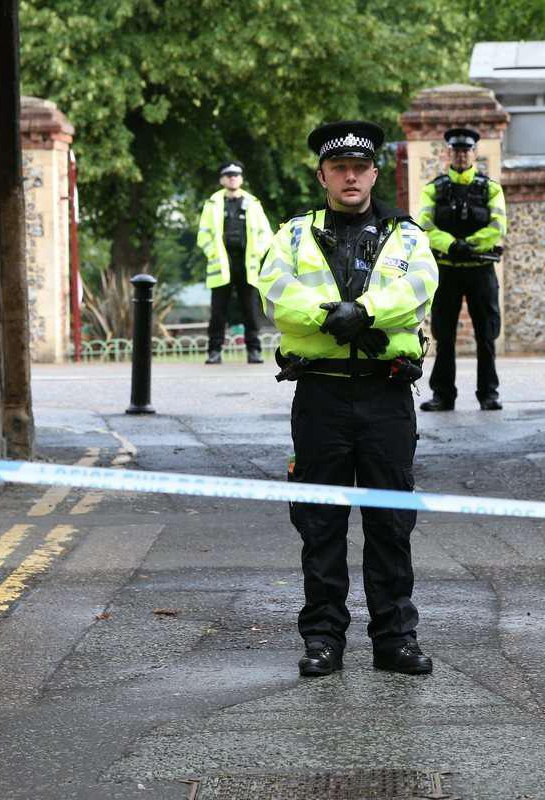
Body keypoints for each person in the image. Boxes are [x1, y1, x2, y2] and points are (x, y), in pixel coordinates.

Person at [254, 121, 439, 677]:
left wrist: (364, 313)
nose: (350, 176)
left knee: (390, 522)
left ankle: (395, 639)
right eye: (339, 168)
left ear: (375, 174)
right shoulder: (291, 235)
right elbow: (275, 289)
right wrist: (325, 316)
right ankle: (323, 639)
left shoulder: (407, 236)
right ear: (323, 176)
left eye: (360, 167)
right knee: (320, 521)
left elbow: (418, 289)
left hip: (386, 395)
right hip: (321, 395)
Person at [416, 127, 508, 411]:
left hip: (481, 270)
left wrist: (471, 244)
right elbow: (426, 226)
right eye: (456, 151)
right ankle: (443, 395)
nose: (461, 155)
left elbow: (498, 226)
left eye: (466, 150)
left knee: (486, 335)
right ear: (449, 154)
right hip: (447, 270)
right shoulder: (434, 188)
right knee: (444, 336)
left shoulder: (490, 188)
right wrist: (452, 245)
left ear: (474, 153)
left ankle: (489, 394)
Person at [196, 160, 274, 364]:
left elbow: (266, 234)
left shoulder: (253, 203)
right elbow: (203, 236)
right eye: (228, 175)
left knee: (250, 309)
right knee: (218, 311)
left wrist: (257, 253)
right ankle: (214, 352)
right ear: (222, 179)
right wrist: (213, 254)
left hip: (247, 263)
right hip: (221, 263)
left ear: (241, 178)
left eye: (236, 174)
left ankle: (254, 351)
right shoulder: (212, 204)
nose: (232, 178)